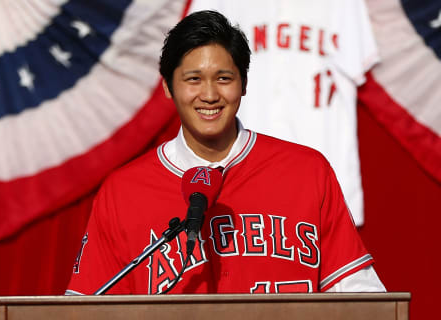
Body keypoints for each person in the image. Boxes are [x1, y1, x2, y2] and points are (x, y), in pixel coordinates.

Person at [66, 10, 385, 295]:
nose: (209, 95)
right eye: (193, 79)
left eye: (223, 79)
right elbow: (85, 308)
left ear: (244, 84)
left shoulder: (307, 172)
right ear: (167, 86)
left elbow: (361, 296)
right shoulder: (123, 192)